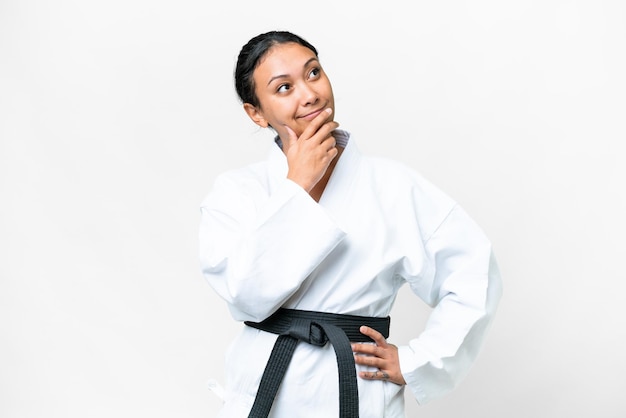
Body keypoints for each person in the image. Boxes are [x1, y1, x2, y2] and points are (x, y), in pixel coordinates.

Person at [199, 30, 502, 418]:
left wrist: (418, 360)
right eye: (284, 87)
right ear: (256, 113)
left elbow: (475, 273)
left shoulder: (393, 186)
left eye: (313, 73)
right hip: (265, 390)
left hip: (356, 391)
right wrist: (298, 186)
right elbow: (246, 295)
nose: (309, 94)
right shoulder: (236, 192)